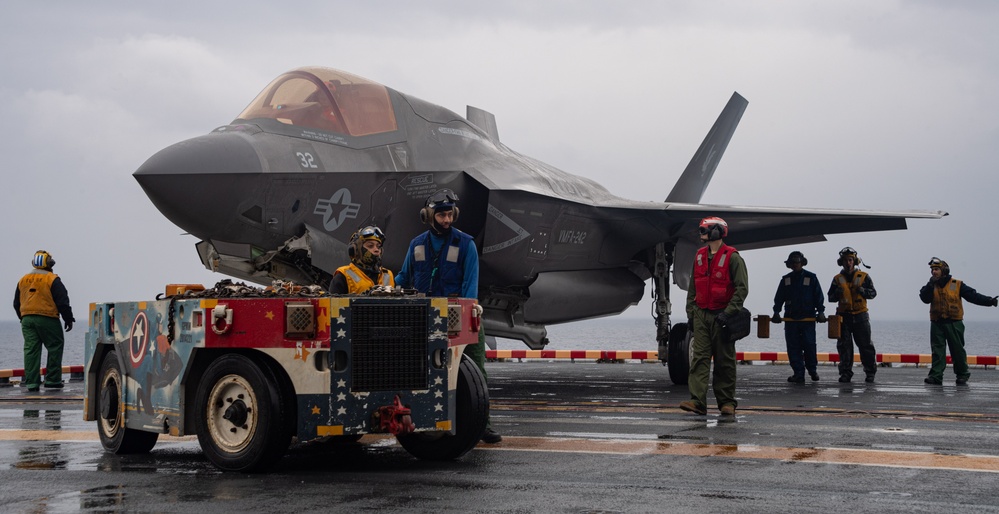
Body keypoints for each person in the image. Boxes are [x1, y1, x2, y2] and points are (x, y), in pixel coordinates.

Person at [395, 189, 501, 443]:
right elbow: (404, 277)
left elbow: (470, 283)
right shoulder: (417, 244)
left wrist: (467, 314)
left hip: (459, 315)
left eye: (449, 214)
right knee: (420, 370)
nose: (446, 220)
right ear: (429, 215)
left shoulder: (465, 244)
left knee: (475, 370)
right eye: (441, 214)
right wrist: (380, 286)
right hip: (424, 317)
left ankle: (482, 424)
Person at [679, 217, 749, 417]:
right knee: (699, 358)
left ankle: (727, 403)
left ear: (718, 232)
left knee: (724, 360)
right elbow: (693, 288)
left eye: (705, 229)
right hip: (701, 314)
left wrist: (729, 313)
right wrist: (691, 314)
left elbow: (742, 289)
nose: (701, 232)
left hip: (722, 315)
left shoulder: (733, 258)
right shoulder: (699, 256)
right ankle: (697, 401)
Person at [918, 258, 998, 385]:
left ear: (944, 270)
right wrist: (930, 284)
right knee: (937, 351)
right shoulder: (931, 285)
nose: (934, 272)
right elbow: (924, 298)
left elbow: (973, 296)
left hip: (954, 323)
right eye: (932, 270)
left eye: (937, 269)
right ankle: (936, 376)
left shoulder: (957, 284)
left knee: (957, 350)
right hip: (937, 323)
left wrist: (989, 301)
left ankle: (962, 375)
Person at [13, 250, 75, 392]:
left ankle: (32, 384)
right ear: (49, 264)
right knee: (55, 346)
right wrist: (68, 318)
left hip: (27, 319)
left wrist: (22, 318)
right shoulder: (52, 279)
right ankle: (53, 380)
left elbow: (16, 303)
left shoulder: (23, 279)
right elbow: (62, 301)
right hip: (48, 318)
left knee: (31, 350)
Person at [772, 251, 826, 383]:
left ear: (802, 262)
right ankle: (798, 373)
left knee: (809, 345)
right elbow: (779, 297)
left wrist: (820, 312)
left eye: (797, 262)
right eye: (793, 263)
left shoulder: (811, 278)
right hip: (791, 319)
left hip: (808, 319)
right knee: (793, 346)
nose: (795, 265)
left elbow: (818, 296)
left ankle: (812, 370)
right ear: (790, 265)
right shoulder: (786, 280)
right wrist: (776, 312)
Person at [827, 247, 877, 383]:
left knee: (866, 346)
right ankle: (845, 373)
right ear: (841, 262)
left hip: (861, 316)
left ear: (854, 261)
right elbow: (830, 297)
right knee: (844, 346)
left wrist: (862, 291)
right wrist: (837, 293)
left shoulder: (864, 277)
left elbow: (873, 293)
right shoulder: (837, 279)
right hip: (844, 317)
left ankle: (870, 372)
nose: (848, 263)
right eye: (845, 260)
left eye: (850, 260)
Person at [329, 225, 395, 294]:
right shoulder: (343, 276)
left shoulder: (388, 275)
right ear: (355, 250)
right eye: (370, 246)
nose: (376, 250)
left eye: (378, 246)